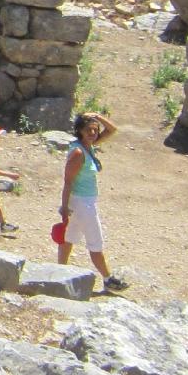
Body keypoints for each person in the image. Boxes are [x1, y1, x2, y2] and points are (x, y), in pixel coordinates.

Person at [58, 110, 127, 293]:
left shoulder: (88, 146)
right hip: (82, 203)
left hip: (81, 202)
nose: (93, 133)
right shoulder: (79, 152)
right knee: (95, 241)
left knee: (68, 238)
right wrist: (64, 207)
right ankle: (107, 278)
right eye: (89, 130)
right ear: (80, 130)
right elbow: (68, 181)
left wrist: (98, 117)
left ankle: (59, 271)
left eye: (95, 130)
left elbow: (112, 130)